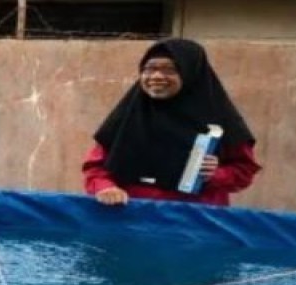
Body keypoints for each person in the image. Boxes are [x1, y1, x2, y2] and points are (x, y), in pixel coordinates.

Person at [83, 38, 260, 207]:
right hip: (132, 219)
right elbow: (94, 167)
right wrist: (105, 187)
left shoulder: (219, 120)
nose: (157, 76)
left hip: (195, 222)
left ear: (191, 73)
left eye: (170, 70)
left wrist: (216, 174)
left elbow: (244, 169)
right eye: (149, 69)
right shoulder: (128, 117)